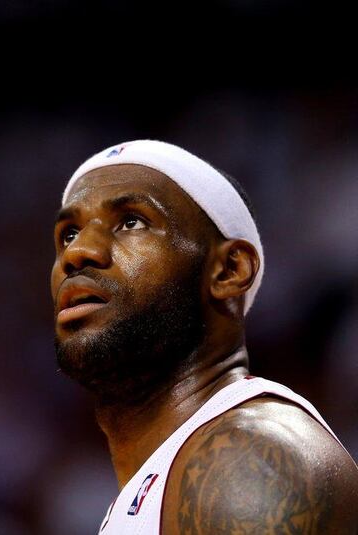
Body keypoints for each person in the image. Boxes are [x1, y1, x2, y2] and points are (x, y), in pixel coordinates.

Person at [50, 140, 358, 534]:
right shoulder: (176, 471)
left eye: (132, 222)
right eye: (69, 233)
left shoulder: (247, 461)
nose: (78, 252)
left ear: (229, 270)